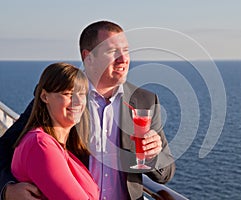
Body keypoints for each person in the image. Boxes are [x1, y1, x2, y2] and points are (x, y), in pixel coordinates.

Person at [0, 21, 175, 200]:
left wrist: (152, 157)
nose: (124, 59)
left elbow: (166, 173)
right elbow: (4, 149)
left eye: (126, 50)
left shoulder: (143, 101)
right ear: (88, 57)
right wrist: (6, 190)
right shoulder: (61, 99)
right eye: (113, 51)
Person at [11, 62, 99, 200]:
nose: (77, 101)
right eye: (67, 94)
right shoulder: (40, 145)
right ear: (45, 97)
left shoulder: (61, 147)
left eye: (81, 94)